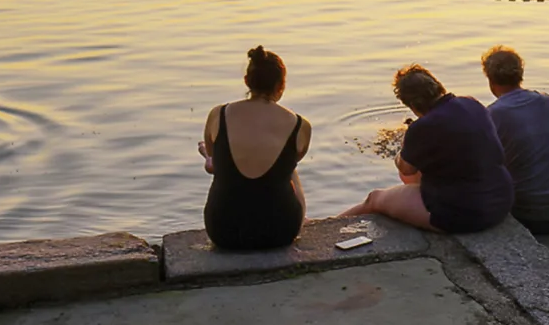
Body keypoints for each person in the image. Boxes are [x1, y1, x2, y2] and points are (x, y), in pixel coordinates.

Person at [339, 65, 513, 233]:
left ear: (412, 105)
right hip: (501, 201)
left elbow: (405, 169)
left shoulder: (423, 127)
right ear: (438, 86)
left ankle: (323, 230)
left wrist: (404, 146)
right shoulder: (472, 104)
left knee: (374, 199)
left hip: (467, 215)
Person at [198, 46, 312, 250]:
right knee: (290, 169)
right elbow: (288, 164)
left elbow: (219, 162)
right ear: (281, 85)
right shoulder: (299, 125)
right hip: (280, 231)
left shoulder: (218, 115)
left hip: (223, 230)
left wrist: (211, 157)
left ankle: (207, 159)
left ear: (246, 81)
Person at [478, 46, 549, 235]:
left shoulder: (493, 114)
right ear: (521, 74)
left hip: (529, 217)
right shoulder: (546, 101)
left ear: (490, 80)